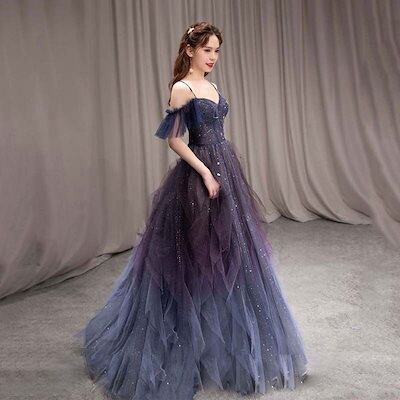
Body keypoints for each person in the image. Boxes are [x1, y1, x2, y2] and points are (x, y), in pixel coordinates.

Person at [74, 21, 309, 400]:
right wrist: (204, 172)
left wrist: (219, 171)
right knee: (194, 259)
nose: (213, 57)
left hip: (225, 168)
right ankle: (185, 346)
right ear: (190, 50)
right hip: (199, 175)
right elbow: (173, 139)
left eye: (217, 51)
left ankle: (225, 347)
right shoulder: (182, 88)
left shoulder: (212, 86)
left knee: (235, 257)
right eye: (207, 50)